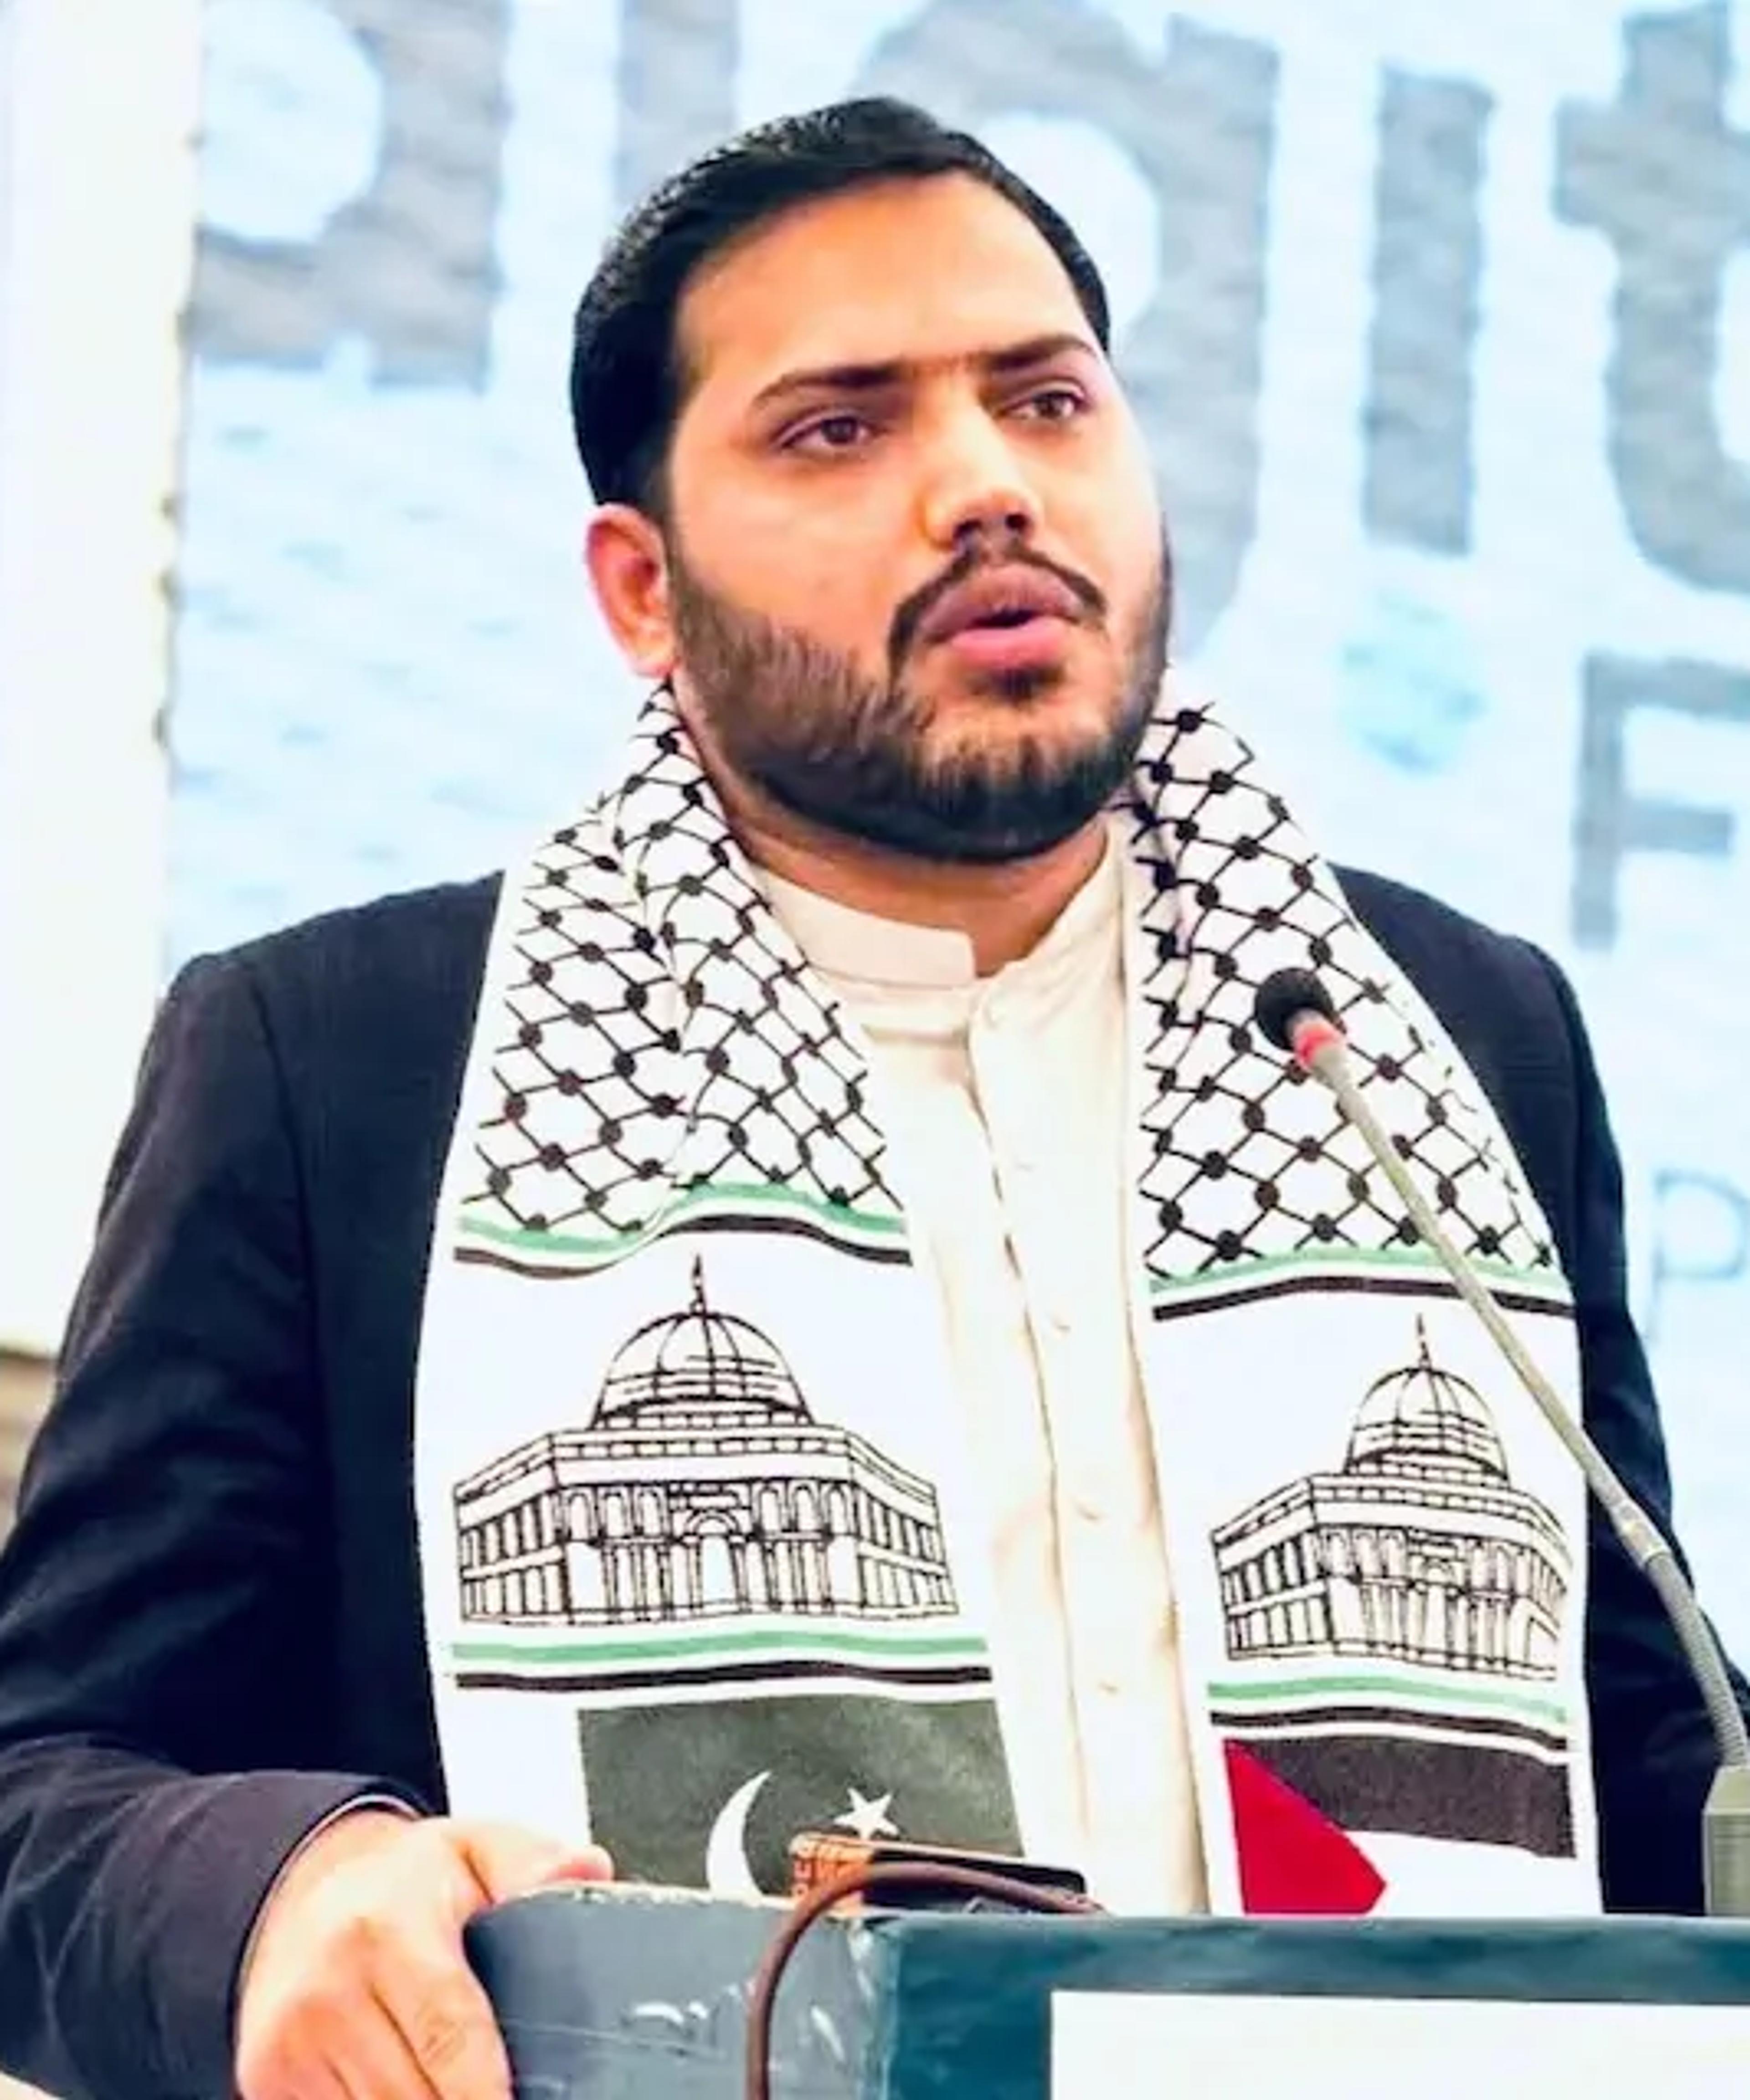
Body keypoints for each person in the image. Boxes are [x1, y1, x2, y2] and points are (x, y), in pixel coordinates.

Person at [0, 95, 1740, 2100]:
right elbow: (48, 1796)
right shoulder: (346, 1064)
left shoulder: (1428, 1047)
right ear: (641, 593)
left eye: (1048, 402)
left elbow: (1653, 1765)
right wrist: (283, 1890)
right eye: (844, 427)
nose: (983, 486)